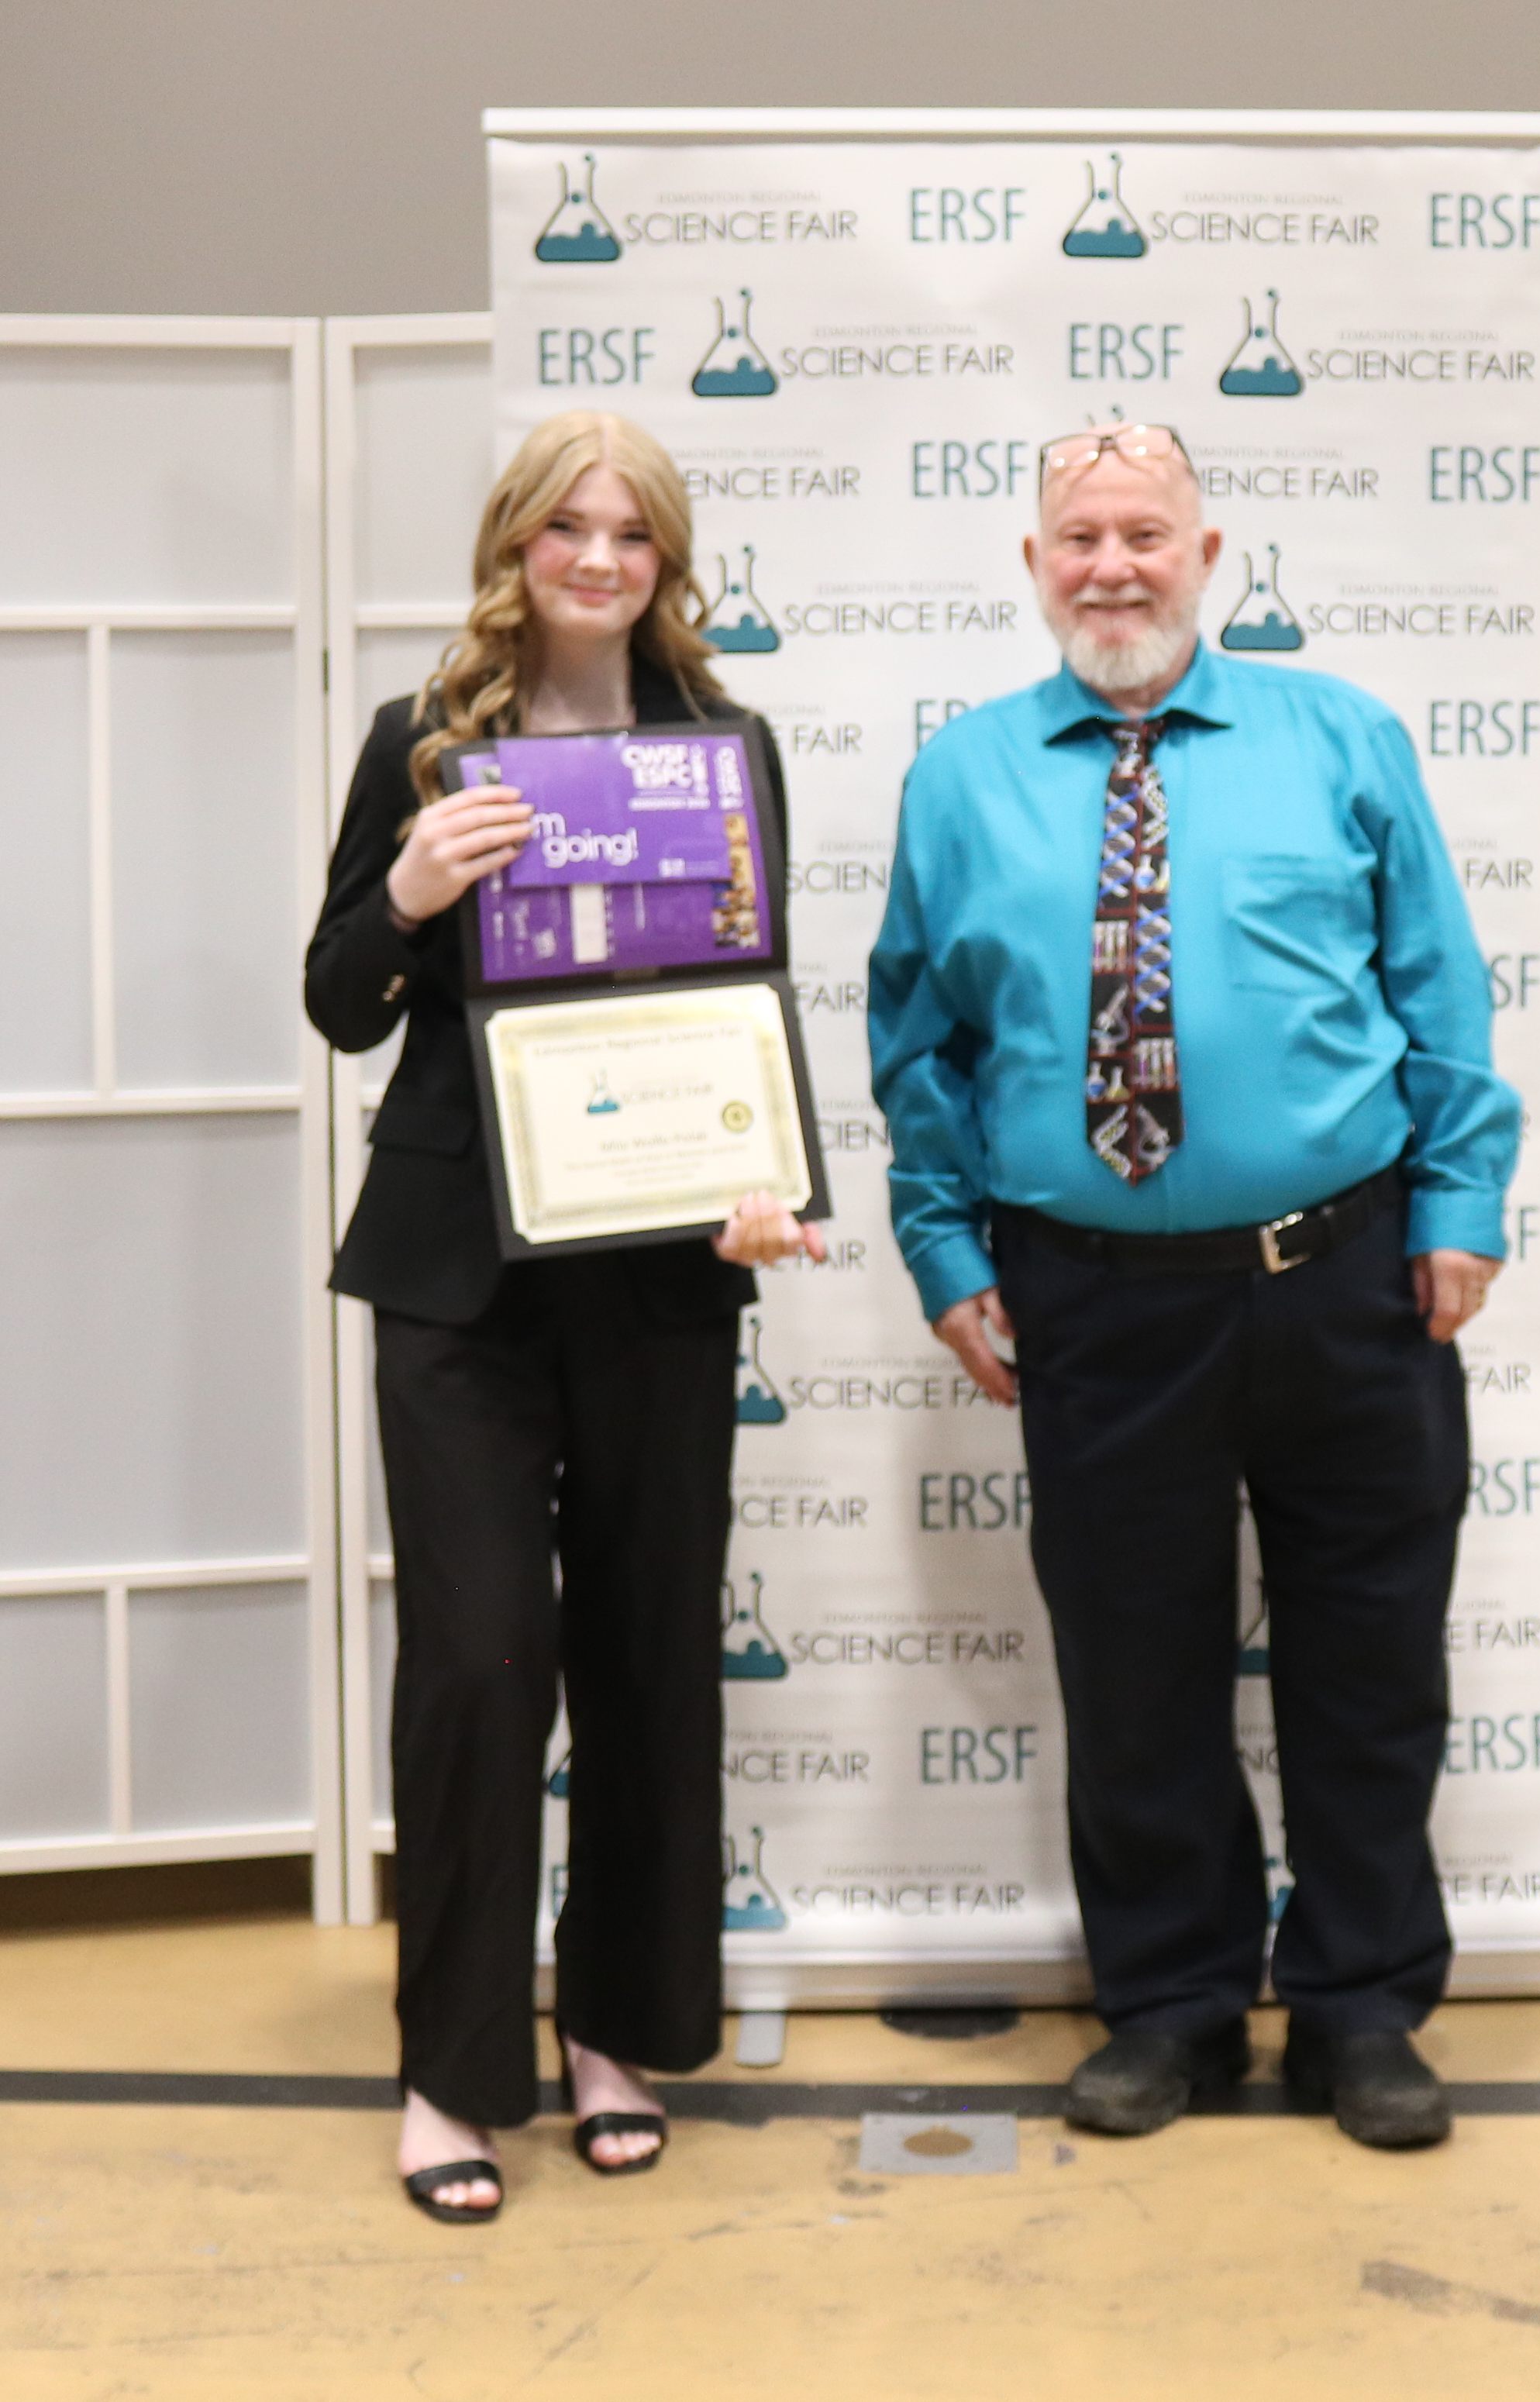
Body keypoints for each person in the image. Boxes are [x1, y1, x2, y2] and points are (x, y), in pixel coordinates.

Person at [867, 424, 1519, 2151]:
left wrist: (1462, 1198)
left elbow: (1440, 985)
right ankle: (1171, 2004)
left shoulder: (1341, 737)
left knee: (1369, 1658)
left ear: (1206, 555)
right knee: (1133, 1672)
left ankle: (1362, 2005)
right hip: (1092, 1302)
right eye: (1078, 538)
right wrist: (943, 1246)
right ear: (1032, 566)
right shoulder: (962, 777)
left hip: (1347, 1280)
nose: (1113, 567)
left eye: (1144, 534)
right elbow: (917, 1040)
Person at [306, 409, 821, 2223]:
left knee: (651, 1648)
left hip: (662, 1259)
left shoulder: (726, 744)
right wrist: (407, 889)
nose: (598, 559)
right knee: (475, 1664)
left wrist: (767, 1181)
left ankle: (617, 2025)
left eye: (631, 532)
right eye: (565, 528)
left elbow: (749, 983)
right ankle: (452, 2069)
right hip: (458, 1271)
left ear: (666, 560)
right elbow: (339, 1000)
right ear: (514, 543)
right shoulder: (420, 740)